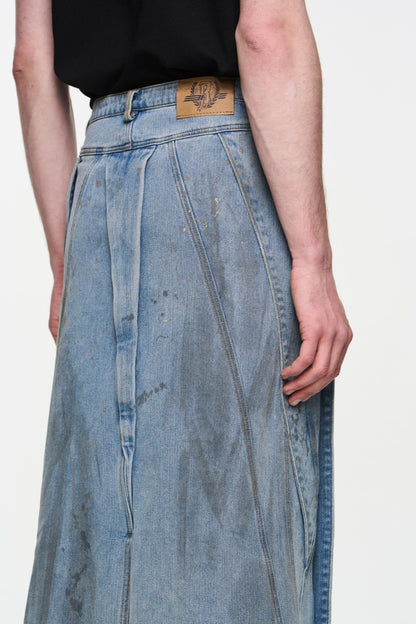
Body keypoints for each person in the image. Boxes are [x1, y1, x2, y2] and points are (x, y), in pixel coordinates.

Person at [13, 1, 353, 623]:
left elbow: (32, 66)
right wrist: (313, 261)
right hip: (211, 162)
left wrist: (67, 264)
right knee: (238, 525)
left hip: (96, 172)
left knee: (95, 537)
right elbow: (265, 31)